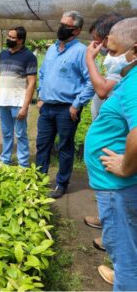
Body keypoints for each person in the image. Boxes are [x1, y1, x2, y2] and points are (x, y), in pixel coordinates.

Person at [84, 17, 137, 291]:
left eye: (114, 51)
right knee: (130, 244)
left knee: (124, 253)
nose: (109, 57)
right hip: (122, 187)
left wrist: (127, 166)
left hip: (119, 187)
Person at [36, 11, 94, 198]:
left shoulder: (81, 51)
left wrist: (76, 104)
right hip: (47, 107)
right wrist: (41, 95)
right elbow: (43, 73)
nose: (60, 28)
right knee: (42, 144)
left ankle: (61, 183)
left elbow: (91, 81)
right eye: (60, 23)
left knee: (65, 147)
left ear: (76, 31)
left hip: (67, 109)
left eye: (65, 26)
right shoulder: (52, 49)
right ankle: (37, 178)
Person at [0, 26, 37, 167]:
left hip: (18, 101)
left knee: (21, 134)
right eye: (8, 36)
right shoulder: (2, 54)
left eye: (12, 37)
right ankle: (6, 159)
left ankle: (23, 164)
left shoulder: (29, 57)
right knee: (6, 133)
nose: (9, 39)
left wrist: (25, 106)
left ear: (21, 40)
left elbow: (31, 82)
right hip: (3, 101)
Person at [87, 13, 124, 121]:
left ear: (108, 38)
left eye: (96, 40)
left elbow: (103, 91)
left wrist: (89, 59)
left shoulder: (121, 60)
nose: (93, 44)